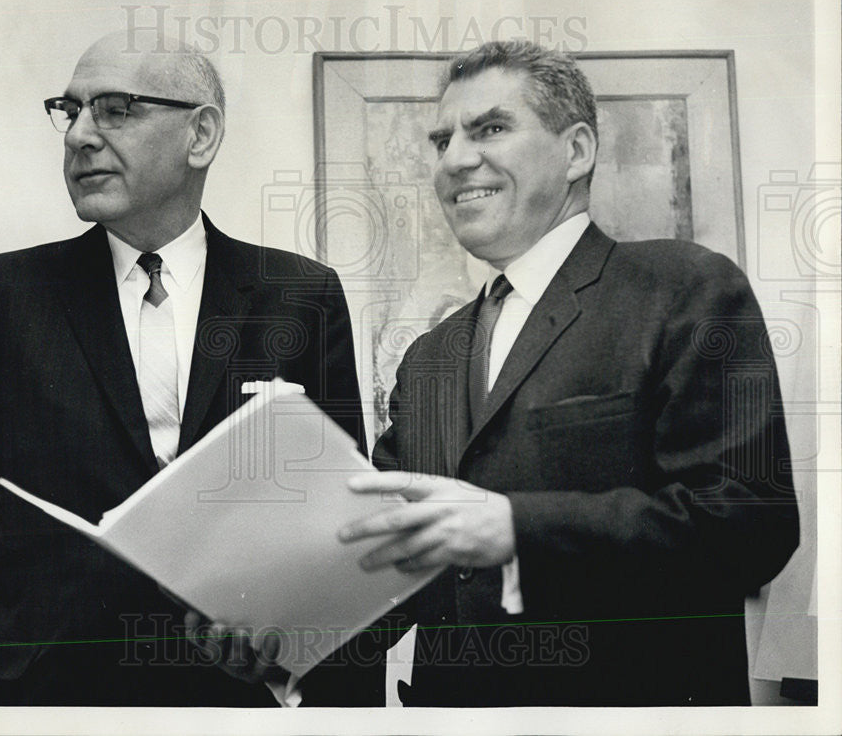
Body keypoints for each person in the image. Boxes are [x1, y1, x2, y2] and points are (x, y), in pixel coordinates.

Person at [0, 30, 373, 707]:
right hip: (52, 697)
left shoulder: (301, 294)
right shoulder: (1, 294)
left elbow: (339, 518)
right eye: (71, 109)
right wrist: (37, 627)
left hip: (238, 702)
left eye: (115, 108)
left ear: (200, 135)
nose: (79, 135)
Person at [339, 40, 800, 706]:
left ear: (577, 150)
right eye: (441, 141)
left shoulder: (685, 290)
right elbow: (396, 558)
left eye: (489, 128)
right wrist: (292, 636)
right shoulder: (429, 357)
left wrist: (517, 528)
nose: (454, 159)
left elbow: (750, 526)